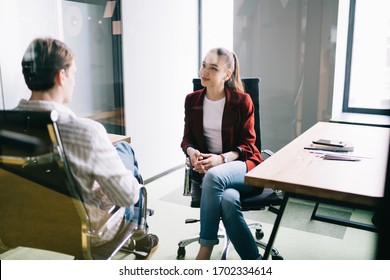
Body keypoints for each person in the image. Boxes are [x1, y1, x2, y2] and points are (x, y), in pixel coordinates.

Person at [16, 37, 158, 259]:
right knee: (127, 160)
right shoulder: (87, 132)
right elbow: (126, 196)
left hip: (26, 226)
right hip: (86, 231)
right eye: (74, 74)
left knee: (120, 150)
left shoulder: (6, 126)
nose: (74, 82)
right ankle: (140, 233)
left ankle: (140, 234)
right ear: (61, 75)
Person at [181, 47, 264, 260]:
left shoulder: (242, 101)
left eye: (213, 68)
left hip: (243, 166)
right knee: (228, 200)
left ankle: (205, 249)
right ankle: (254, 262)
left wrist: (222, 159)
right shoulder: (192, 100)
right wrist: (192, 153)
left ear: (227, 74)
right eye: (203, 65)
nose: (204, 72)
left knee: (215, 175)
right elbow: (187, 139)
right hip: (209, 172)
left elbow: (248, 144)